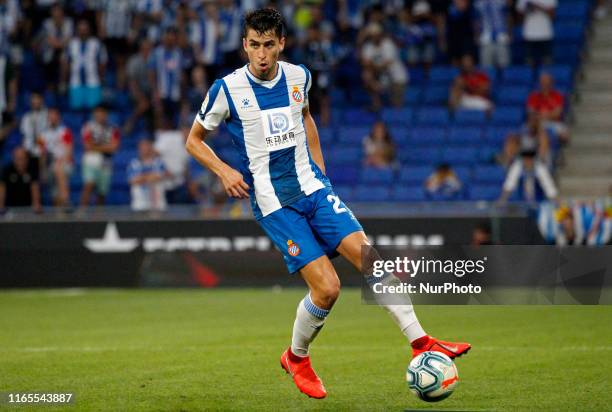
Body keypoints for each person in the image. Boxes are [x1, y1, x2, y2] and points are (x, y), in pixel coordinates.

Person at [185, 8, 470, 400]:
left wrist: (322, 175)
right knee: (328, 289)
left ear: (281, 43)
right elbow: (193, 140)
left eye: (269, 45)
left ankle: (422, 342)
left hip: (314, 190)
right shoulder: (226, 89)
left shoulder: (299, 76)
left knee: (372, 260)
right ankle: (296, 357)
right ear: (244, 45)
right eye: (254, 45)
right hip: (275, 203)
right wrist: (223, 171)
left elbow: (306, 119)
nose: (262, 55)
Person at [80, 104, 120, 206]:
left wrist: (95, 147)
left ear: (106, 114)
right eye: (97, 113)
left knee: (102, 193)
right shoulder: (88, 127)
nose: (100, 115)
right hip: (90, 161)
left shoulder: (113, 128)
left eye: (102, 113)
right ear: (94, 114)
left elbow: (114, 148)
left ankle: (98, 218)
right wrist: (106, 147)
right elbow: (87, 146)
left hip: (106, 163)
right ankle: (81, 216)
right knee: (88, 186)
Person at [39, 107, 73, 207]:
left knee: (59, 170)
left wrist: (60, 162)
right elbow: (43, 154)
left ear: (59, 117)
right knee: (55, 197)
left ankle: (66, 200)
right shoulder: (42, 135)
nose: (53, 118)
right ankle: (59, 217)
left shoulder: (65, 131)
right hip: (50, 164)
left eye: (55, 115)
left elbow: (69, 150)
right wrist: (42, 169)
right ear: (48, 118)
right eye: (51, 116)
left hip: (65, 163)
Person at [527, 72, 569, 144]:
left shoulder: (558, 96)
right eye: (543, 82)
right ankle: (536, 148)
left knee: (565, 134)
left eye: (547, 82)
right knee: (534, 126)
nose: (545, 84)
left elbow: (557, 114)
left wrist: (542, 115)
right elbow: (531, 114)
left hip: (554, 123)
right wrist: (545, 115)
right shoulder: (533, 97)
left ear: (552, 83)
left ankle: (558, 150)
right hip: (538, 123)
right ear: (540, 83)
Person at [128, 138, 167, 212]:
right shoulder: (134, 163)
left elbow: (159, 176)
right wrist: (149, 176)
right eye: (142, 146)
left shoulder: (158, 162)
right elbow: (132, 180)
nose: (144, 149)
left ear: (151, 147)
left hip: (157, 204)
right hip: (139, 204)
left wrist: (141, 177)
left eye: (146, 146)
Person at [0, 147, 42, 213]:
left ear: (27, 159)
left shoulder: (32, 170)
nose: (20, 162)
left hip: (28, 210)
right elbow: (2, 190)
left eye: (22, 159)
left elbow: (35, 189)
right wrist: (1, 207)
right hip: (10, 210)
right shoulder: (7, 170)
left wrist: (36, 207)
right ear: (13, 159)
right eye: (17, 159)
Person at [516, 0, 556, 66]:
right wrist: (527, 9)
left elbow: (553, 15)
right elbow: (518, 17)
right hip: (529, 34)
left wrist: (538, 7)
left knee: (547, 64)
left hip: (545, 34)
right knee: (528, 64)